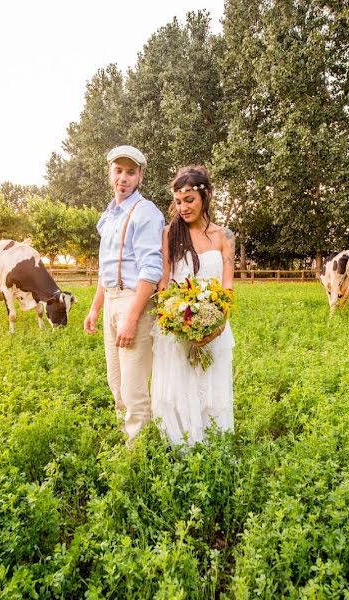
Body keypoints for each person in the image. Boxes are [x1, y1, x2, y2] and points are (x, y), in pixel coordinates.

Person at [83, 145, 165, 444]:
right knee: (116, 383)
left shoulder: (145, 212)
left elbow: (151, 270)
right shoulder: (110, 215)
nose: (123, 178)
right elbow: (106, 269)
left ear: (140, 176)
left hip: (135, 302)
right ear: (110, 173)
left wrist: (132, 318)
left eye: (131, 172)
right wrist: (95, 308)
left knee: (133, 387)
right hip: (111, 302)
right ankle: (126, 441)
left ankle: (137, 456)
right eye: (118, 171)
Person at [151, 165, 235, 447]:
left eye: (189, 200)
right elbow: (164, 283)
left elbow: (227, 285)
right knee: (180, 384)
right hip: (177, 323)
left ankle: (211, 443)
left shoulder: (225, 236)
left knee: (211, 384)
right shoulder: (169, 234)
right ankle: (181, 445)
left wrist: (216, 323)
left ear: (206, 196)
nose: (183, 208)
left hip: (213, 323)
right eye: (178, 202)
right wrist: (176, 318)